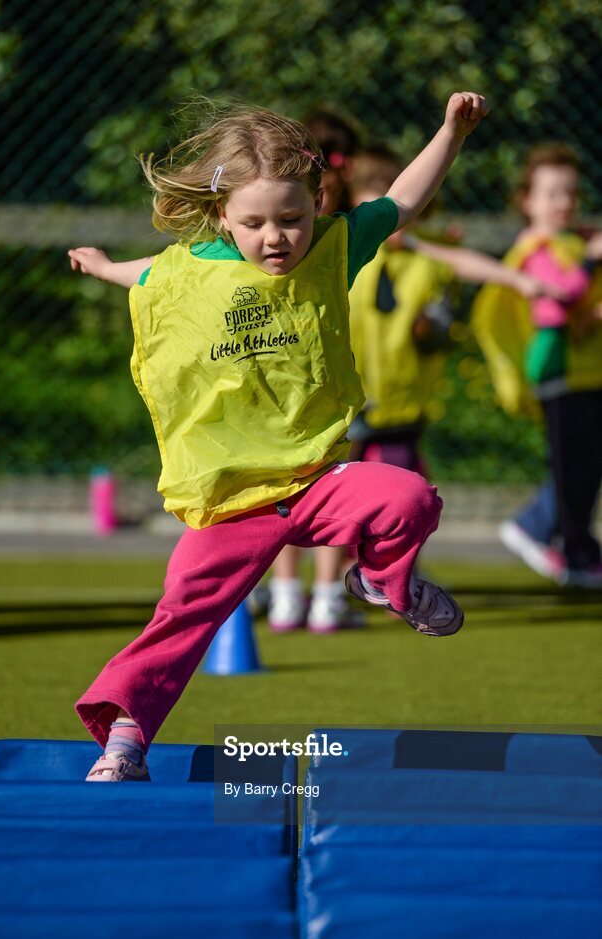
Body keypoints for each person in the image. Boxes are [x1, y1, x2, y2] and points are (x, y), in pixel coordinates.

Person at [68, 93, 488, 782]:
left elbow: (404, 202)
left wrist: (450, 132)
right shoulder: (187, 272)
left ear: (317, 204)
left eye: (292, 219)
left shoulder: (333, 250)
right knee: (181, 617)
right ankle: (125, 742)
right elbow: (146, 274)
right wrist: (103, 266)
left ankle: (384, 584)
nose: (276, 238)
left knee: (409, 497)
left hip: (316, 478)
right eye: (255, 223)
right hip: (233, 497)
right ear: (221, 216)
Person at [347, 146, 553, 490]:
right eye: (374, 214)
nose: (385, 226)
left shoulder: (423, 255)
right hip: (349, 400)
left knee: (401, 496)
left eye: (393, 214)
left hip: (401, 405)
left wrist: (516, 279)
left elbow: (459, 261)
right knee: (334, 500)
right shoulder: (346, 251)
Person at [472, 144, 602, 587]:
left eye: (570, 193)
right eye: (552, 194)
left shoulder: (570, 241)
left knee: (587, 464)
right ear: (526, 200)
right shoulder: (536, 248)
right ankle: (550, 536)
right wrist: (590, 259)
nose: (563, 202)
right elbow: (560, 298)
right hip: (559, 371)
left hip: (586, 370)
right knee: (572, 466)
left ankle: (574, 545)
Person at [266, 105, 363, 633]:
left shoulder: (339, 240)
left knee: (324, 492)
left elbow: (405, 205)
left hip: (330, 391)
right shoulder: (261, 246)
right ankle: (296, 593)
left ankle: (319, 594)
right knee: (292, 493)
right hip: (285, 395)